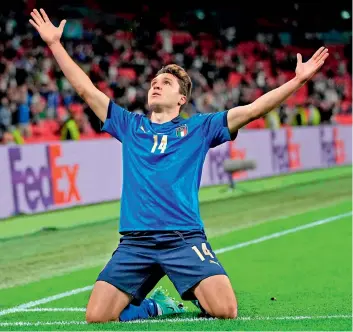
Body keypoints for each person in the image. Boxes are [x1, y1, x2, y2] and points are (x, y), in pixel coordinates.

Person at [29, 8, 329, 323]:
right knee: (97, 317)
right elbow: (85, 90)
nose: (156, 86)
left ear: (181, 99)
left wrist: (297, 82)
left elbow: (253, 109)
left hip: (183, 237)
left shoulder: (200, 128)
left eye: (166, 83)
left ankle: (180, 293)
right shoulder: (129, 125)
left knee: (225, 310)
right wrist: (54, 45)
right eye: (154, 82)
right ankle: (155, 306)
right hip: (136, 241)